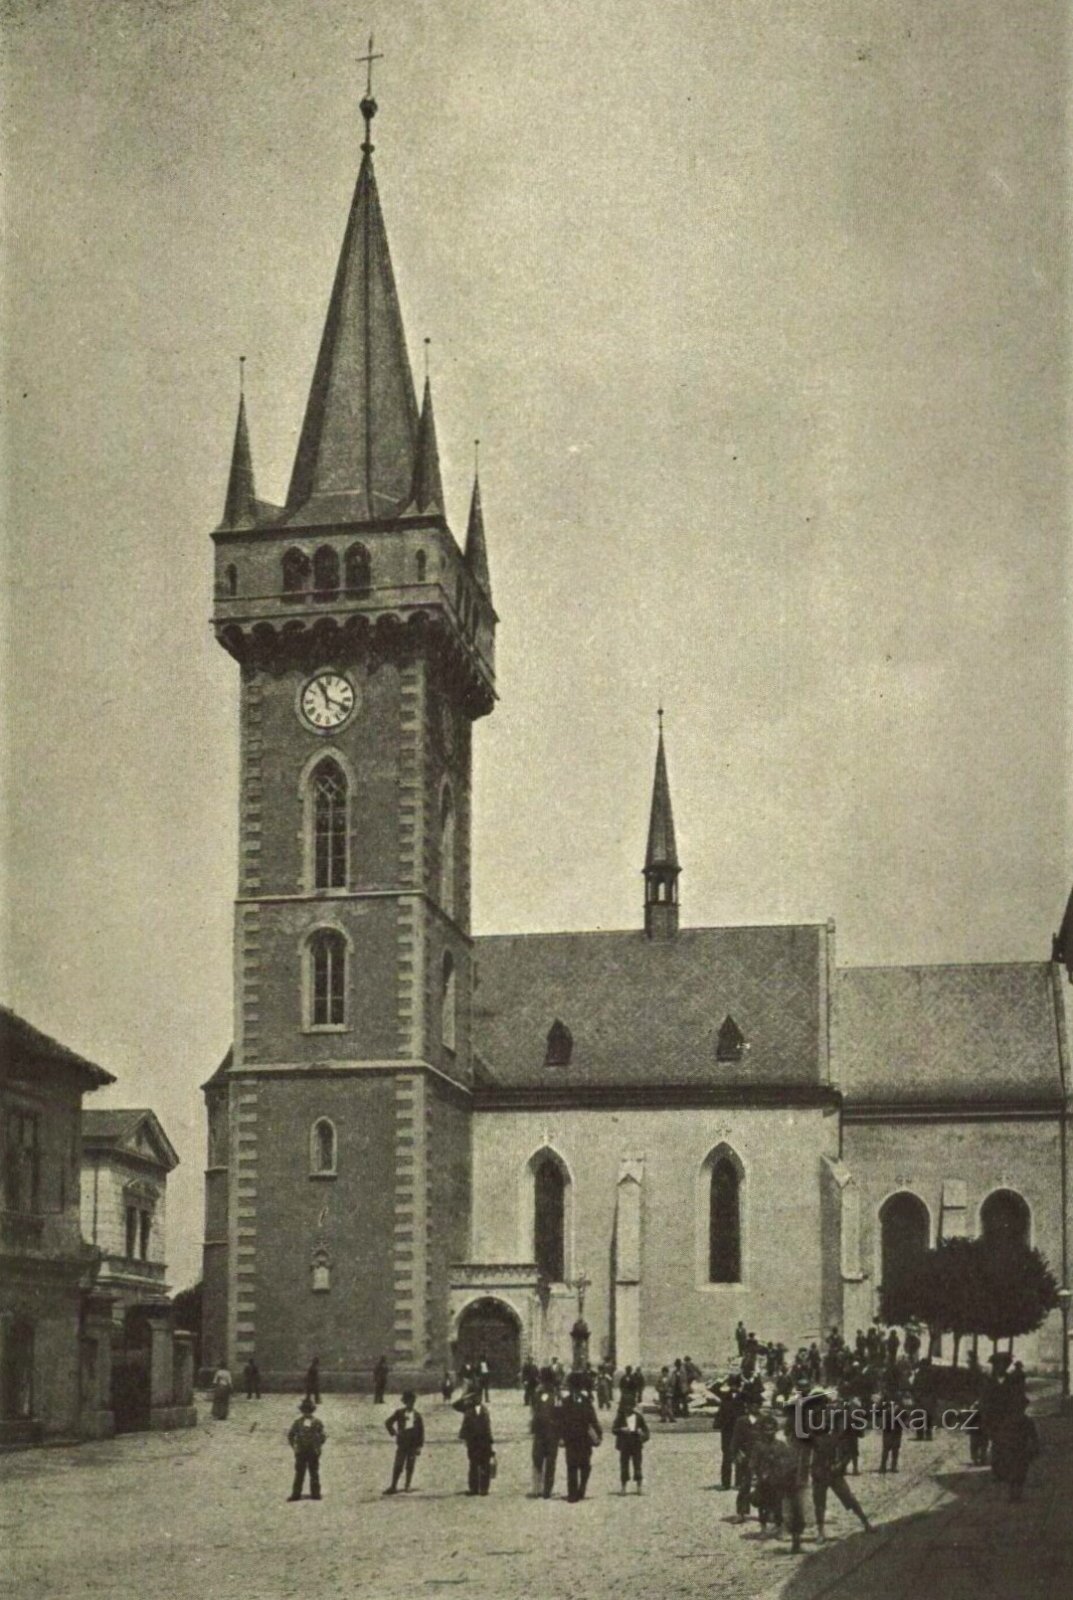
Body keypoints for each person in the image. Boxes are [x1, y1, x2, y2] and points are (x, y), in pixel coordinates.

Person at [810, 1399, 872, 1541]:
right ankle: (820, 1532)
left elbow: (848, 1454)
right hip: (819, 1473)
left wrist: (840, 1465)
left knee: (849, 1498)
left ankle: (866, 1523)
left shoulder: (838, 1437)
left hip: (835, 1474)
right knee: (819, 1504)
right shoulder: (813, 1438)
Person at [560, 1372, 602, 1502]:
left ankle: (577, 1491)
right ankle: (576, 1491)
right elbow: (593, 1420)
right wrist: (598, 1434)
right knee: (578, 1465)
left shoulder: (567, 1402)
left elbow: (560, 1421)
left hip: (577, 1438)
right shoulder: (585, 1401)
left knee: (578, 1465)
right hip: (579, 1439)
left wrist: (561, 1437)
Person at [990, 1394, 1039, 1503]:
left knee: (1013, 1473)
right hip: (1020, 1451)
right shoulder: (1027, 1421)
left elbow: (998, 1436)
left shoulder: (1007, 1420)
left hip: (1011, 1450)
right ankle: (1017, 1495)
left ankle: (1013, 1495)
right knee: (1020, 1473)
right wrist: (1035, 1449)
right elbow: (1034, 1437)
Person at [530, 1367, 562, 1498]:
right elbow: (560, 1414)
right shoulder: (555, 1395)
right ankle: (546, 1489)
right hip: (551, 1432)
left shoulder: (538, 1394)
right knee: (549, 1461)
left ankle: (539, 1488)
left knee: (540, 1459)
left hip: (541, 1431)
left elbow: (534, 1412)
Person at [383, 1390, 424, 1493]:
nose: (410, 1404)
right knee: (398, 1464)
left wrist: (419, 1446)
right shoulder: (399, 1413)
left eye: (412, 1402)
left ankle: (407, 1485)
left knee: (410, 1465)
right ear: (405, 1402)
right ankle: (393, 1486)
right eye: (408, 1402)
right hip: (402, 1443)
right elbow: (388, 1422)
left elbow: (421, 1432)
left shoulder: (417, 1416)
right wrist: (394, 1433)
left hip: (413, 1444)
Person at [730, 1390, 762, 1521]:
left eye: (757, 1404)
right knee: (744, 1484)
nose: (754, 1407)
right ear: (747, 1406)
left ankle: (767, 1512)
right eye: (752, 1404)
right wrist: (736, 1454)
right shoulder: (741, 1421)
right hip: (746, 1456)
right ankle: (741, 1512)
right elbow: (735, 1440)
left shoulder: (764, 1420)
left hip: (761, 1456)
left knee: (765, 1484)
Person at [287, 1397, 326, 1501]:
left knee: (314, 1473)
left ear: (312, 1411)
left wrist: (317, 1446)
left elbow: (323, 1436)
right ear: (302, 1411)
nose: (307, 1413)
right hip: (302, 1451)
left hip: (312, 1451)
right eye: (305, 1411)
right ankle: (296, 1494)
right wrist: (294, 1447)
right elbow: (290, 1435)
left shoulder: (317, 1422)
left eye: (309, 1411)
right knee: (300, 1473)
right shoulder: (298, 1422)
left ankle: (315, 1494)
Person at [457, 1392, 496, 1495]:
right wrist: (466, 1396)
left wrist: (490, 1441)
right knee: (473, 1465)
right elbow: (456, 1406)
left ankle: (484, 1488)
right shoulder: (468, 1411)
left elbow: (488, 1427)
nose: (478, 1399)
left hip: (484, 1442)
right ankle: (473, 1488)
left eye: (479, 1397)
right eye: (475, 1397)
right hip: (473, 1442)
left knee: (485, 1466)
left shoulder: (485, 1411)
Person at [612, 1392, 650, 1493]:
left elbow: (647, 1432)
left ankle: (639, 1486)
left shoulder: (638, 1417)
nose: (628, 1408)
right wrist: (621, 1429)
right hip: (624, 1444)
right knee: (624, 1466)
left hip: (636, 1442)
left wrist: (642, 1435)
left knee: (637, 1465)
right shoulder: (620, 1417)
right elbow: (613, 1429)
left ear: (633, 1406)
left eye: (630, 1406)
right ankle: (623, 1487)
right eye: (625, 1406)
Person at [715, 1375, 743, 1490]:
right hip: (727, 1431)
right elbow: (714, 1389)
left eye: (736, 1385)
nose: (734, 1387)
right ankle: (725, 1483)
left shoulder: (744, 1397)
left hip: (739, 1431)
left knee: (740, 1457)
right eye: (732, 1385)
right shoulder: (725, 1396)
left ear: (739, 1386)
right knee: (726, 1456)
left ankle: (739, 1482)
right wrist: (721, 1380)